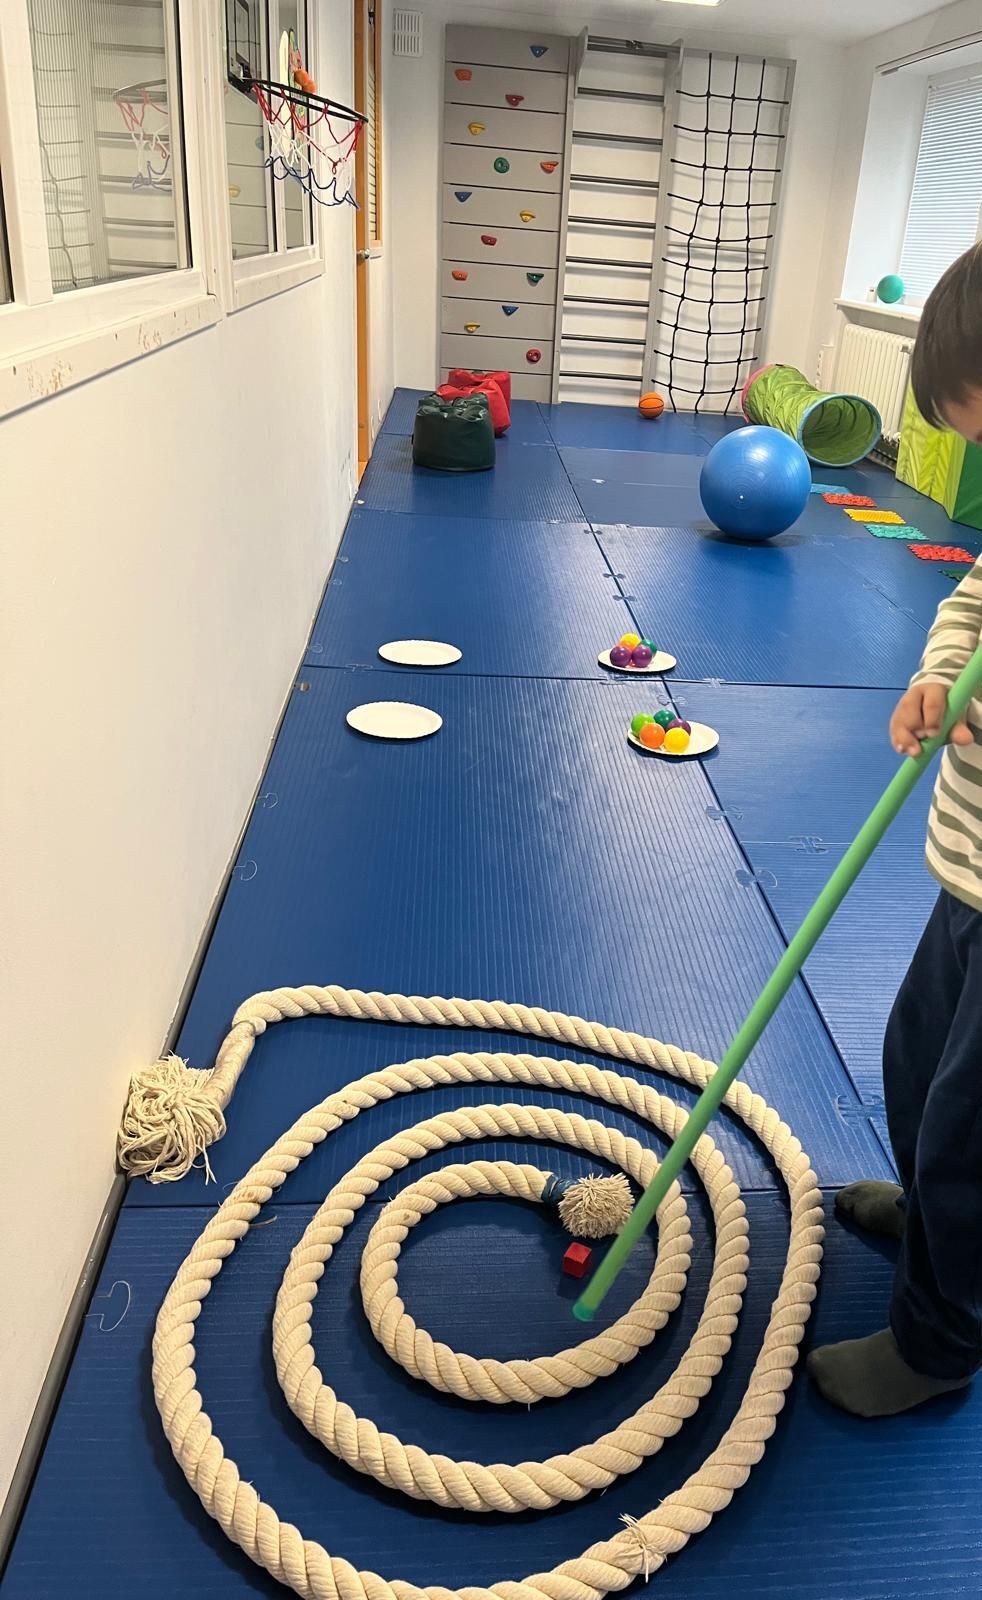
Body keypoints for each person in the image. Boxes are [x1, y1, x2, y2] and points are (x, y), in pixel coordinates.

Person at [809, 240, 982, 1417]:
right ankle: (924, 1217)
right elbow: (971, 598)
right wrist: (940, 673)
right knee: (916, 1071)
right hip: (965, 877)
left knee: (976, 1142)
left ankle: (940, 1340)